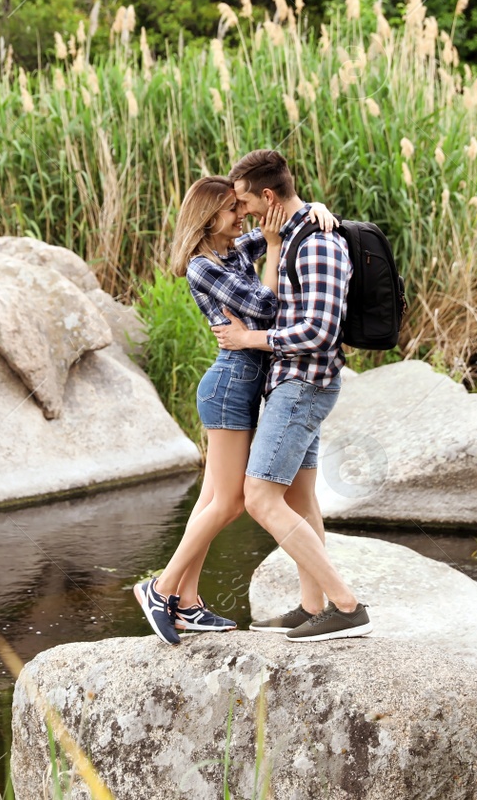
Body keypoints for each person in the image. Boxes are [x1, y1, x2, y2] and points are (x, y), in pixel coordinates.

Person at [134, 176, 336, 645]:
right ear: (209, 219)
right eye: (230, 210)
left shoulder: (230, 249)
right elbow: (266, 308)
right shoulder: (203, 265)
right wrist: (269, 246)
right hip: (230, 383)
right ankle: (160, 589)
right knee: (231, 502)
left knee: (209, 501)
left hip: (244, 385)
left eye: (239, 207)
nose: (240, 215)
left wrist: (318, 209)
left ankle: (187, 604)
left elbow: (277, 225)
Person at [213, 149, 371, 641]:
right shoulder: (289, 232)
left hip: (304, 382)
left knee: (260, 497)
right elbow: (242, 249)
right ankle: (311, 606)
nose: (242, 215)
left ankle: (346, 606)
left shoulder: (318, 244)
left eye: (244, 203)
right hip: (293, 382)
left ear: (267, 196)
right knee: (301, 501)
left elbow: (320, 332)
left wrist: (250, 340)